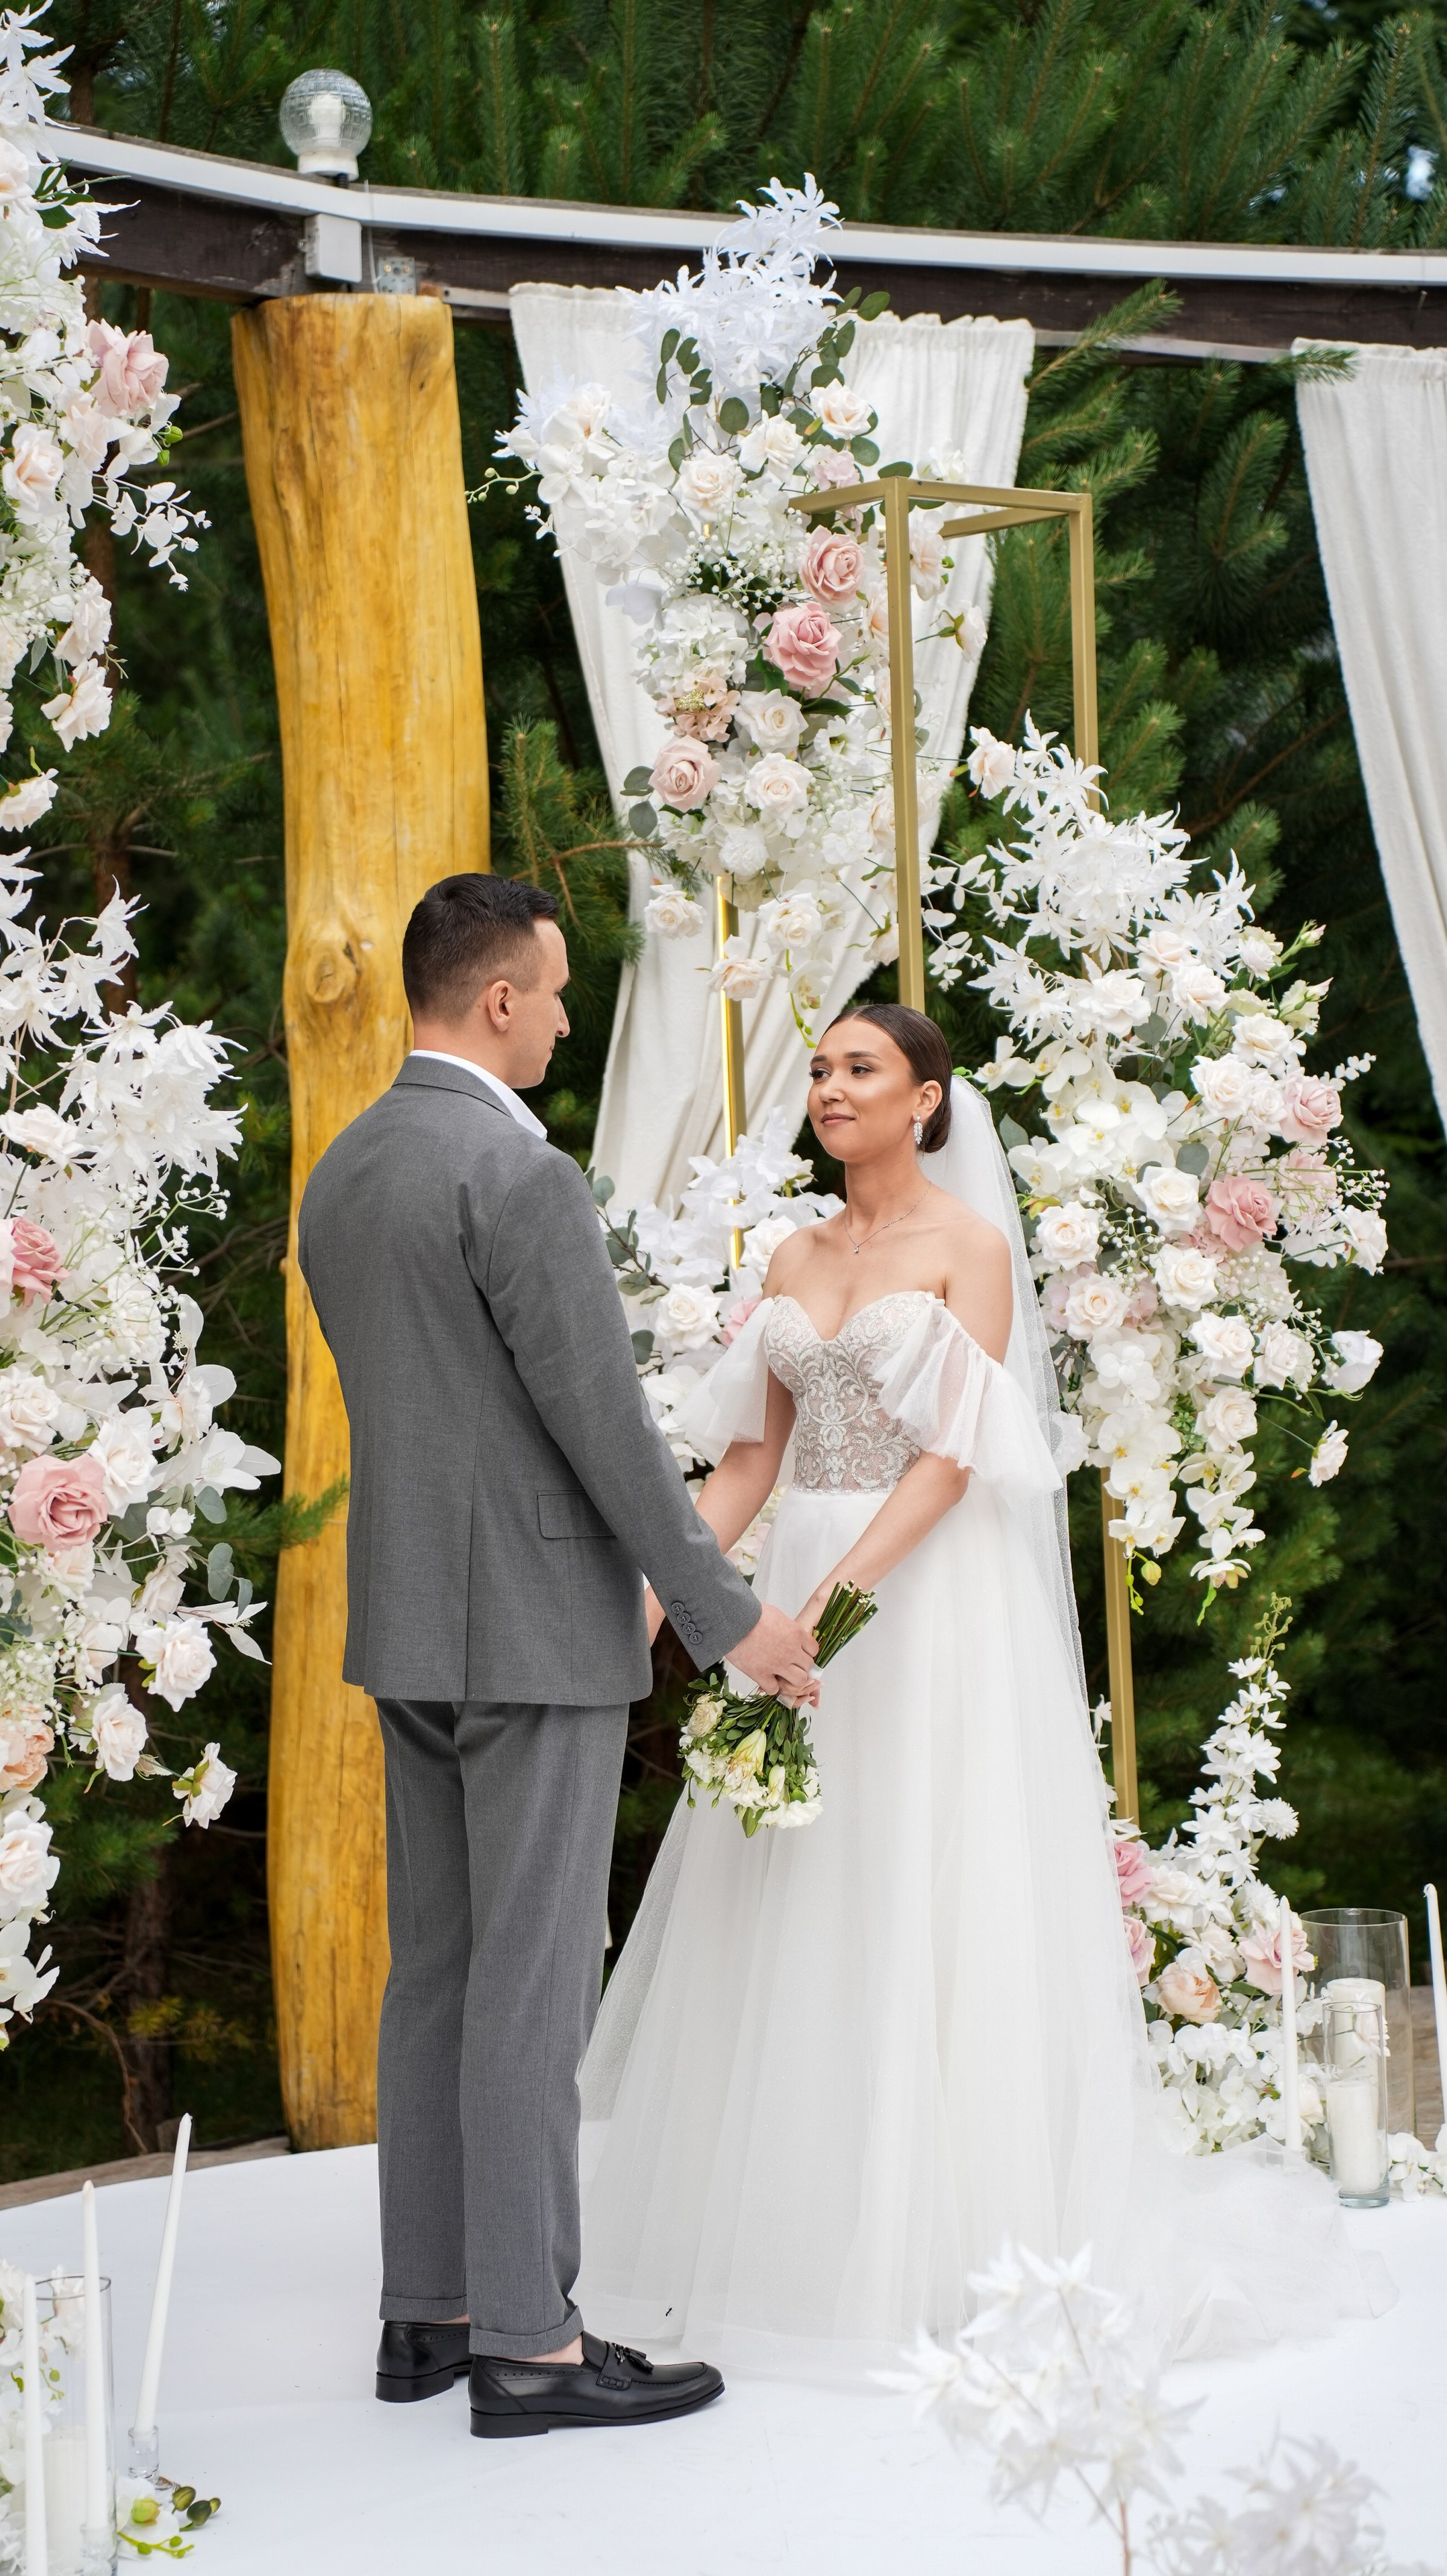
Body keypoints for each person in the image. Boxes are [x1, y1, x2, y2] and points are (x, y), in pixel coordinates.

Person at [575, 1002, 1389, 2378]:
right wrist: (659, 1594)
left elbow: (951, 1464)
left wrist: (821, 1616)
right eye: (821, 1068)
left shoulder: (970, 1250)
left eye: (860, 1070)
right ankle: (797, 2229)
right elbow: (752, 1463)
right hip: (796, 1588)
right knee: (797, 1887)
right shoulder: (790, 1251)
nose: (830, 1088)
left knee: (920, 1881)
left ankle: (950, 2234)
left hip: (920, 1597)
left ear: (926, 1101)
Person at [294, 873, 820, 2438]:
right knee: (529, 1983)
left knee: (439, 1973)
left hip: (406, 1621)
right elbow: (598, 1429)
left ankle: (429, 2312)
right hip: (526, 1629)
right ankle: (529, 2343)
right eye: (561, 989)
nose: (573, 1016)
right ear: (499, 1000)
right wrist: (728, 1621)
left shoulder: (349, 1168)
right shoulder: (511, 1175)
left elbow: (439, 1412)